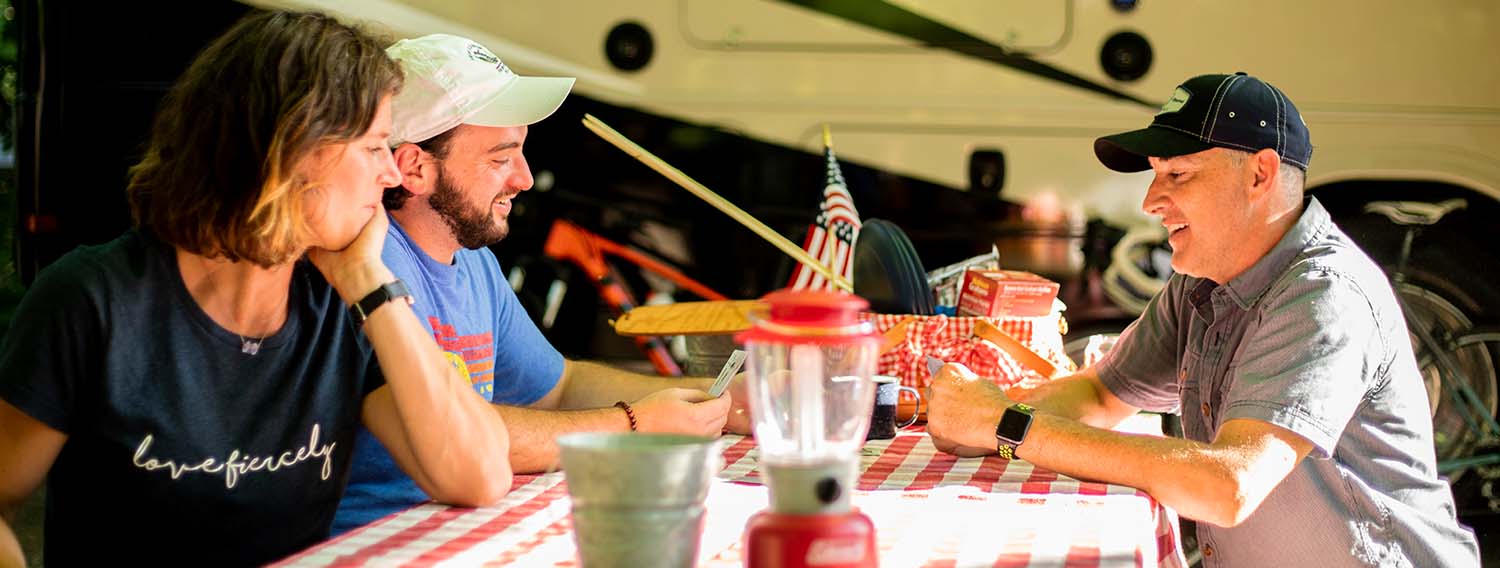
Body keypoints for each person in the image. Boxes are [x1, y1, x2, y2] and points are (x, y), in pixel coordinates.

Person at [0, 11, 516, 566]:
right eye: (373, 148)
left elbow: (478, 476)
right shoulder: (93, 301)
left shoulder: (337, 305)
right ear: (291, 148)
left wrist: (371, 283)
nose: (390, 174)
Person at [925, 72, 1480, 566]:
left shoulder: (1322, 294)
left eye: (1179, 174)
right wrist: (978, 418)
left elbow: (1227, 485)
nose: (1150, 200)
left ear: (1260, 174)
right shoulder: (1205, 279)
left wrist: (1007, 427)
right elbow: (1099, 394)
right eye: (1155, 174)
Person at [332, 34, 744, 533]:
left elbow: (556, 385)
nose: (524, 179)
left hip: (455, 529)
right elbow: (462, 434)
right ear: (414, 168)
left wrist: (710, 396)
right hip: (381, 540)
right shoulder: (369, 259)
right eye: (500, 158)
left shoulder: (468, 256)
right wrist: (634, 424)